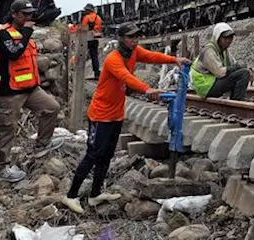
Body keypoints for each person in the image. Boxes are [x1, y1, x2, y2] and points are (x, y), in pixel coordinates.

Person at [63, 23, 190, 213]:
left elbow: (151, 56)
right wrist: (146, 89)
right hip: (100, 115)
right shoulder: (113, 59)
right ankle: (70, 196)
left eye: (137, 36)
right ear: (122, 38)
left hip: (115, 114)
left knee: (106, 155)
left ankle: (95, 194)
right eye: (131, 37)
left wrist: (174, 59)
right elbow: (125, 76)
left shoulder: (133, 51)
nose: (135, 40)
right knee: (93, 154)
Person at [0, 0, 63, 182]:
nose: (29, 17)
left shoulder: (24, 34)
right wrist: (27, 31)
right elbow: (13, 53)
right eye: (25, 14)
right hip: (9, 91)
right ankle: (1, 169)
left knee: (51, 108)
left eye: (30, 14)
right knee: (8, 129)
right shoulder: (3, 34)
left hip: (30, 88)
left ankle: (41, 146)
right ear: (14, 14)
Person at [191, 23, 251, 100]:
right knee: (243, 74)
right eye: (225, 38)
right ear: (218, 38)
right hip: (205, 86)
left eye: (230, 38)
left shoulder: (223, 50)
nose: (228, 41)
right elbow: (220, 72)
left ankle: (236, 101)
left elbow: (234, 64)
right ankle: (238, 101)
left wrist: (248, 69)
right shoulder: (209, 51)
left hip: (212, 83)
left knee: (243, 72)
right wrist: (238, 68)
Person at [79, 3, 104, 78]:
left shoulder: (86, 17)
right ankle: (97, 73)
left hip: (87, 39)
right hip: (95, 39)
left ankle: (79, 72)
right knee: (94, 56)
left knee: (81, 55)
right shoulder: (98, 17)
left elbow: (83, 28)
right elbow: (100, 27)